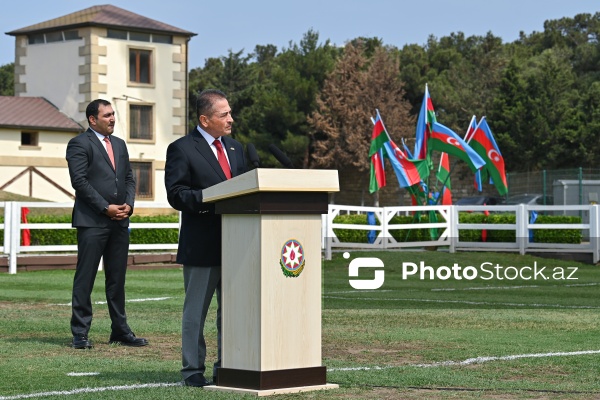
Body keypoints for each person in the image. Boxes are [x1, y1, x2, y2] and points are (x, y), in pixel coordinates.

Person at [164, 89, 247, 387]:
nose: (230, 119)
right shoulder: (182, 149)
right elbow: (176, 194)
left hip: (239, 245)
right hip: (201, 246)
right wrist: (211, 198)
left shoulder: (237, 149)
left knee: (234, 313)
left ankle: (227, 367)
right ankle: (192, 371)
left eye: (230, 112)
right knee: (195, 313)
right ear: (204, 119)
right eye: (224, 114)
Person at [66, 99, 148, 349]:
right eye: (107, 115)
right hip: (92, 222)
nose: (112, 119)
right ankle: (80, 333)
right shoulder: (79, 143)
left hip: (120, 222)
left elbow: (128, 179)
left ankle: (120, 331)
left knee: (117, 279)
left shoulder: (120, 145)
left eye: (113, 114)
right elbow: (79, 182)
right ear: (93, 119)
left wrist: (129, 206)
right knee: (85, 278)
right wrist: (105, 208)